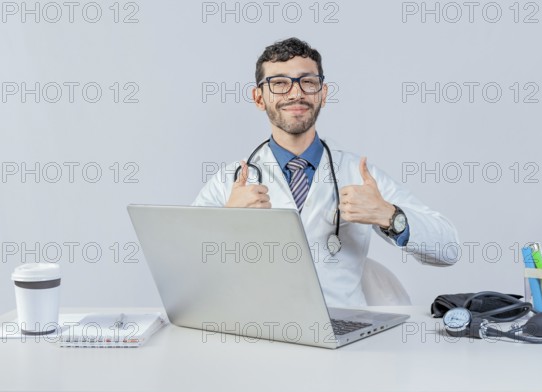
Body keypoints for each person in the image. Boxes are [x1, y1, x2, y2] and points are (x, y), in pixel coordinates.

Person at [193, 37, 459, 307]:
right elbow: (185, 270)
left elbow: (449, 249)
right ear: (259, 97)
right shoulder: (231, 181)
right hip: (261, 332)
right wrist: (225, 223)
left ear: (323, 93)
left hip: (343, 332)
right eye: (279, 83)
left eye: (308, 82)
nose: (296, 93)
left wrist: (389, 216)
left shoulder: (359, 174)